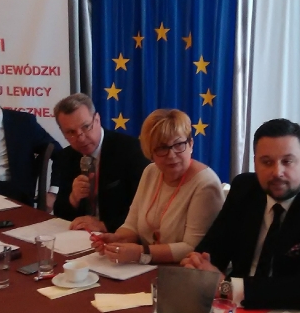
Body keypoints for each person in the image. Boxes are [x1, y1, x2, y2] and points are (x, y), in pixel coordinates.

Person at [181, 119, 300, 312]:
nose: (277, 172)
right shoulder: (244, 189)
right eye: (266, 162)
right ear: (255, 163)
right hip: (237, 308)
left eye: (287, 161)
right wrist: (198, 265)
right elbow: (212, 249)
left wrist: (228, 288)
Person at [93, 109, 224, 264]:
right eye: (162, 148)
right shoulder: (150, 171)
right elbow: (132, 225)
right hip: (146, 266)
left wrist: (140, 253)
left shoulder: (205, 184)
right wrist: (117, 240)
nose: (171, 155)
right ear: (150, 152)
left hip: (183, 270)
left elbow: (192, 248)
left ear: (191, 144)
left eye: (179, 144)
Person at [50, 93, 150, 233]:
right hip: (80, 236)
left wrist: (104, 225)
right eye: (71, 132)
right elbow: (60, 213)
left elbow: (145, 210)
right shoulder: (67, 156)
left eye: (86, 127)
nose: (80, 138)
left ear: (97, 119)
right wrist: (73, 198)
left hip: (119, 235)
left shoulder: (131, 151)